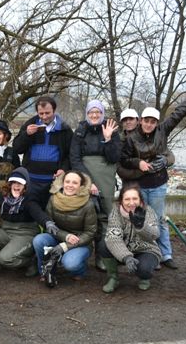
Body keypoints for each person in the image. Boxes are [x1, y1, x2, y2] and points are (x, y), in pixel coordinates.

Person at [120, 75, 186, 269]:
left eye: (153, 121)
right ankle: (151, 254)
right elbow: (124, 159)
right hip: (140, 185)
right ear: (141, 120)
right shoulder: (130, 138)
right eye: (146, 120)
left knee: (160, 219)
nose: (149, 124)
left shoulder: (163, 130)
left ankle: (166, 254)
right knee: (142, 219)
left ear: (156, 122)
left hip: (158, 183)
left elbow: (180, 113)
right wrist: (138, 163)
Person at [69, 100, 121, 270]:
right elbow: (74, 159)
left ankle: (103, 256)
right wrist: (87, 181)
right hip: (84, 177)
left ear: (102, 113)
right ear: (87, 113)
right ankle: (81, 254)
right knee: (83, 216)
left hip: (106, 178)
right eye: (91, 112)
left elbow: (114, 158)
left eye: (98, 112)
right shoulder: (80, 131)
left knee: (105, 218)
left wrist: (107, 139)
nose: (94, 115)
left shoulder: (111, 129)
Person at [32, 171, 98, 285]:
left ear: (81, 186)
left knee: (70, 263)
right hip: (58, 236)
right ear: (62, 183)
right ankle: (45, 270)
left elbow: (90, 232)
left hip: (80, 242)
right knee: (39, 240)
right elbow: (49, 225)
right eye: (67, 181)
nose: (70, 185)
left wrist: (65, 246)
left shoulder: (88, 204)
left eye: (74, 183)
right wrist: (65, 236)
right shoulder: (53, 199)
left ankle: (80, 271)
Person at [12, 96, 73, 209]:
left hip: (53, 180)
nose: (44, 116)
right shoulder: (29, 125)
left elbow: (70, 154)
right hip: (31, 179)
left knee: (51, 212)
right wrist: (27, 135)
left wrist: (64, 168)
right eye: (41, 113)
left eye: (47, 113)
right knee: (30, 212)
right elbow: (16, 149)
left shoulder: (65, 129)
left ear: (54, 110)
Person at [101, 182, 160, 292]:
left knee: (144, 269)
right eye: (127, 199)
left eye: (135, 199)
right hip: (124, 249)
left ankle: (144, 278)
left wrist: (141, 226)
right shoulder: (115, 213)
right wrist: (126, 257)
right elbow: (113, 238)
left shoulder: (149, 211)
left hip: (146, 249)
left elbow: (155, 235)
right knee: (104, 245)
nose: (131, 203)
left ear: (140, 200)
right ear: (121, 201)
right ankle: (113, 277)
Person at [116, 108, 175, 182]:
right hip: (129, 181)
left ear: (138, 121)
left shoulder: (150, 136)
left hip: (152, 181)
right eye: (124, 120)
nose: (128, 122)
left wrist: (165, 161)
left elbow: (169, 155)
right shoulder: (118, 141)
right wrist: (143, 169)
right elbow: (119, 167)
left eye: (131, 119)